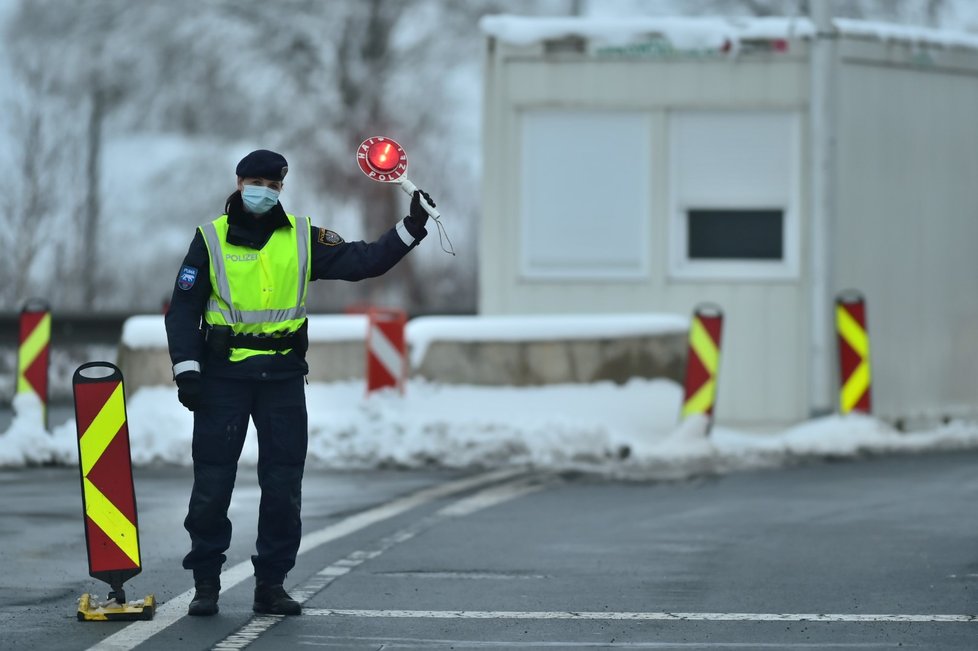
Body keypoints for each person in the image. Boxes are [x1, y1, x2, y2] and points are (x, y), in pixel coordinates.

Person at [164, 149, 433, 617]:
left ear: (281, 189)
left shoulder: (304, 237)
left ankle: (271, 583)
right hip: (223, 378)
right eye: (256, 183)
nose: (263, 193)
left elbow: (362, 261)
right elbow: (184, 309)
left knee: (284, 486)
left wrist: (410, 229)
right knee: (212, 483)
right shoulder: (209, 239)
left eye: (272, 186)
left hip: (282, 377)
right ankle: (206, 581)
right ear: (239, 182)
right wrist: (187, 369)